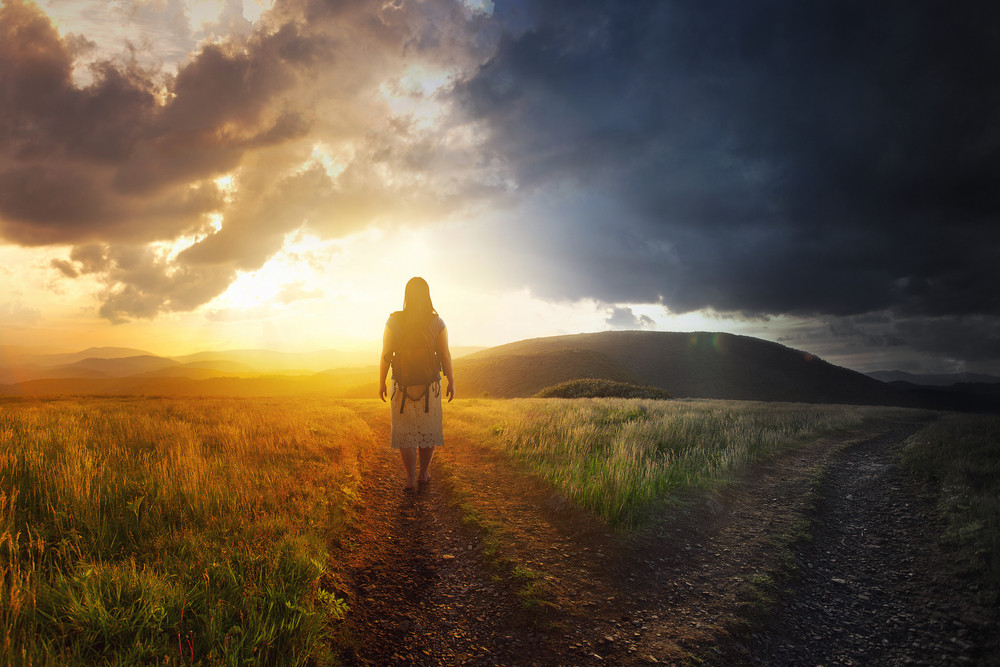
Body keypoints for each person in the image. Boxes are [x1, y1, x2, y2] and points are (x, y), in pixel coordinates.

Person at [379, 277, 455, 492]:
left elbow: (385, 354)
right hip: (430, 384)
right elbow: (445, 355)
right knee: (427, 430)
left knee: (406, 432)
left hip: (401, 385)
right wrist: (451, 381)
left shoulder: (393, 321)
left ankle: (410, 480)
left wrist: (382, 382)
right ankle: (424, 474)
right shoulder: (437, 322)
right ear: (427, 295)